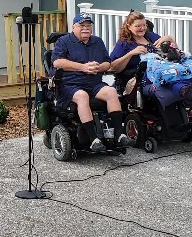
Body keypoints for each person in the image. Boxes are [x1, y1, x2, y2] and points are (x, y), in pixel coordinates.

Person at [51, 13, 136, 151]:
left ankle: (119, 136)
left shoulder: (97, 41)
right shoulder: (64, 41)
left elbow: (107, 63)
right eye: (82, 25)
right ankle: (93, 140)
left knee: (111, 92)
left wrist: (99, 67)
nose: (86, 28)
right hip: (70, 84)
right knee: (82, 96)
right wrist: (83, 67)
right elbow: (57, 62)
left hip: (94, 83)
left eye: (88, 25)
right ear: (74, 27)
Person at [109, 10, 177, 84]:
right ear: (129, 27)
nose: (142, 28)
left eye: (144, 25)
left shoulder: (151, 36)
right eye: (138, 26)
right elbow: (113, 68)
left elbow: (176, 53)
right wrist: (131, 54)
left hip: (163, 72)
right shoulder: (124, 43)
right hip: (141, 80)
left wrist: (170, 40)